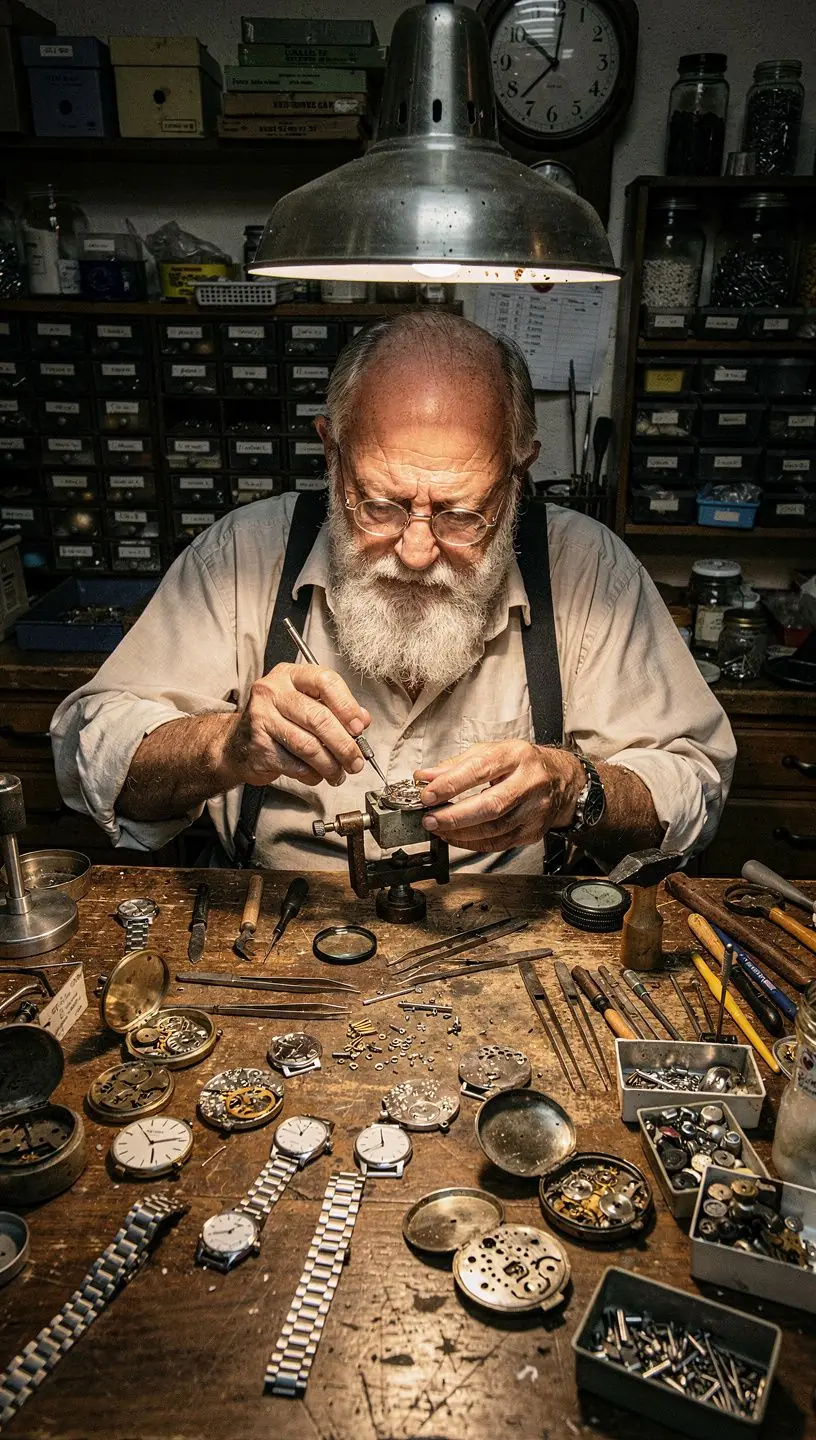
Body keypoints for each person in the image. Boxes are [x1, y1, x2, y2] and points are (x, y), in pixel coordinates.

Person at [51, 312, 735, 874]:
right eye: (377, 506)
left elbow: (692, 785)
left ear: (519, 472)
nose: (415, 552)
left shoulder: (588, 570)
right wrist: (223, 747)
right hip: (277, 919)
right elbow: (91, 749)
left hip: (511, 935)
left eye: (461, 515)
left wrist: (572, 790)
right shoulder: (242, 554)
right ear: (331, 452)